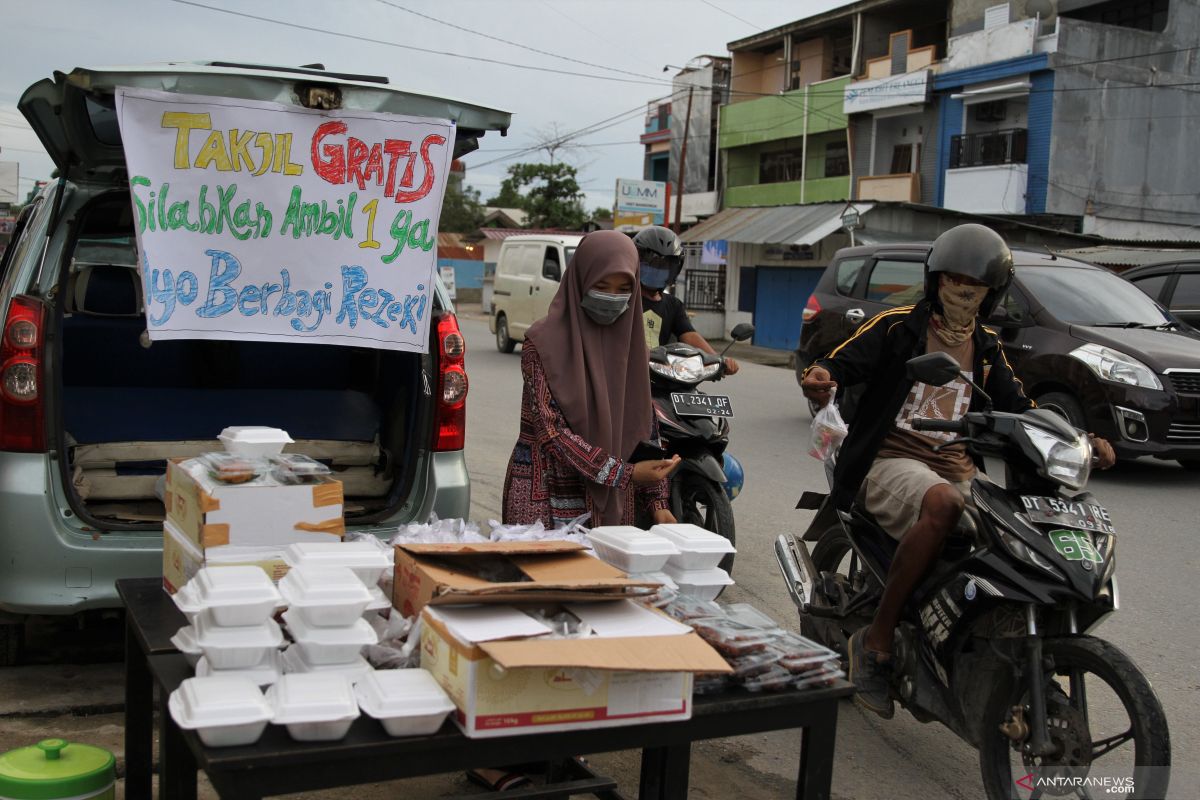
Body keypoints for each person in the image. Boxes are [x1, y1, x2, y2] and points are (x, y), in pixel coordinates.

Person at [800, 223, 1116, 719]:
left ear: (993, 295)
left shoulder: (987, 349)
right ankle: (876, 644)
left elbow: (1024, 407)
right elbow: (840, 363)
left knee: (1016, 536)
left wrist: (1083, 440)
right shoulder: (898, 327)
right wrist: (823, 376)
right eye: (954, 282)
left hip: (955, 467)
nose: (964, 293)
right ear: (935, 281)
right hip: (888, 461)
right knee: (943, 504)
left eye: (976, 288)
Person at [473, 230, 680, 793]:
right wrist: (622, 476)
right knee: (532, 627)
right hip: (543, 495)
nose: (613, 297)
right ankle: (493, 757)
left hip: (605, 502)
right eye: (602, 285)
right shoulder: (542, 340)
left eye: (624, 286)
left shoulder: (631, 341)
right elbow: (551, 429)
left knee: (586, 629)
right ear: (579, 281)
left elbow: (644, 424)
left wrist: (657, 503)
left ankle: (557, 749)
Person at [633, 226, 739, 375]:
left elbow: (688, 334)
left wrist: (717, 359)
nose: (657, 270)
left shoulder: (673, 305)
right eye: (652, 264)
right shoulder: (626, 298)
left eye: (664, 266)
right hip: (626, 373)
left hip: (661, 374)